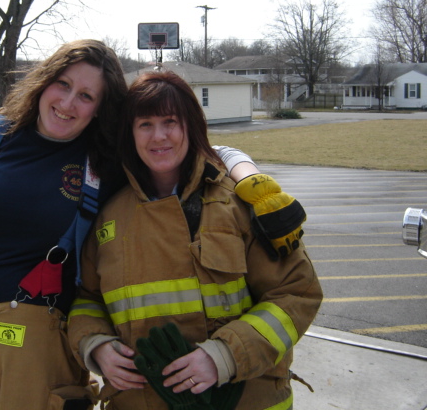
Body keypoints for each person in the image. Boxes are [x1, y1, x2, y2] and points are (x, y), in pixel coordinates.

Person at [0, 40, 298, 410]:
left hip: (30, 351)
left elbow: (196, 147)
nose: (68, 103)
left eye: (86, 96)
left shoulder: (107, 160)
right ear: (44, 82)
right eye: (63, 84)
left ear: (101, 109)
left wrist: (252, 182)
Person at [67, 70, 323, 410]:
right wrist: (96, 345)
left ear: (191, 126)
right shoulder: (107, 217)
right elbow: (87, 299)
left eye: (170, 122)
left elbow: (297, 292)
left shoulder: (239, 204)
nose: (159, 136)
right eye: (145, 124)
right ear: (130, 133)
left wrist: (226, 356)